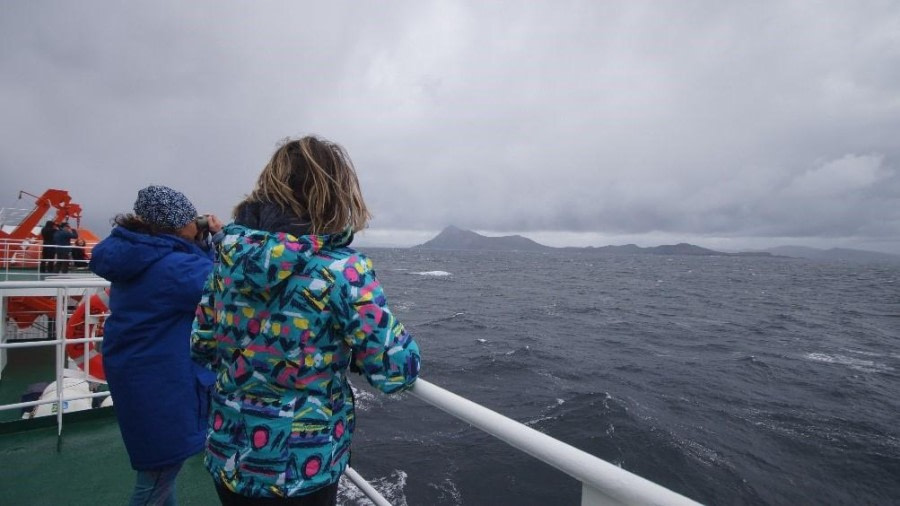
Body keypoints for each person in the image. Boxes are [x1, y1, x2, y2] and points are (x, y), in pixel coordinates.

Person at [192, 135, 421, 505]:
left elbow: (201, 345)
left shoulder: (228, 260)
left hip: (229, 459)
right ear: (334, 195)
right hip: (301, 470)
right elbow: (396, 369)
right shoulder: (343, 269)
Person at [89, 185, 223, 506]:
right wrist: (220, 240)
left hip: (139, 373)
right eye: (193, 218)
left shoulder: (139, 254)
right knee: (156, 479)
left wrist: (200, 241)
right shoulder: (174, 268)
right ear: (176, 225)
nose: (198, 222)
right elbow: (230, 286)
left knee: (161, 473)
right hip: (160, 382)